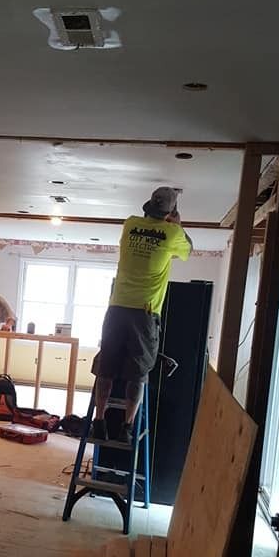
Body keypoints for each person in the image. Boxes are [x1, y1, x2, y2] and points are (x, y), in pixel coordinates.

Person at [92, 186, 192, 444]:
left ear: (148, 206)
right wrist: (178, 224)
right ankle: (126, 427)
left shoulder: (130, 225)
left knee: (106, 368)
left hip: (116, 308)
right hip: (144, 314)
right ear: (170, 212)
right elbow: (188, 249)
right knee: (137, 373)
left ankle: (99, 421)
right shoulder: (172, 234)